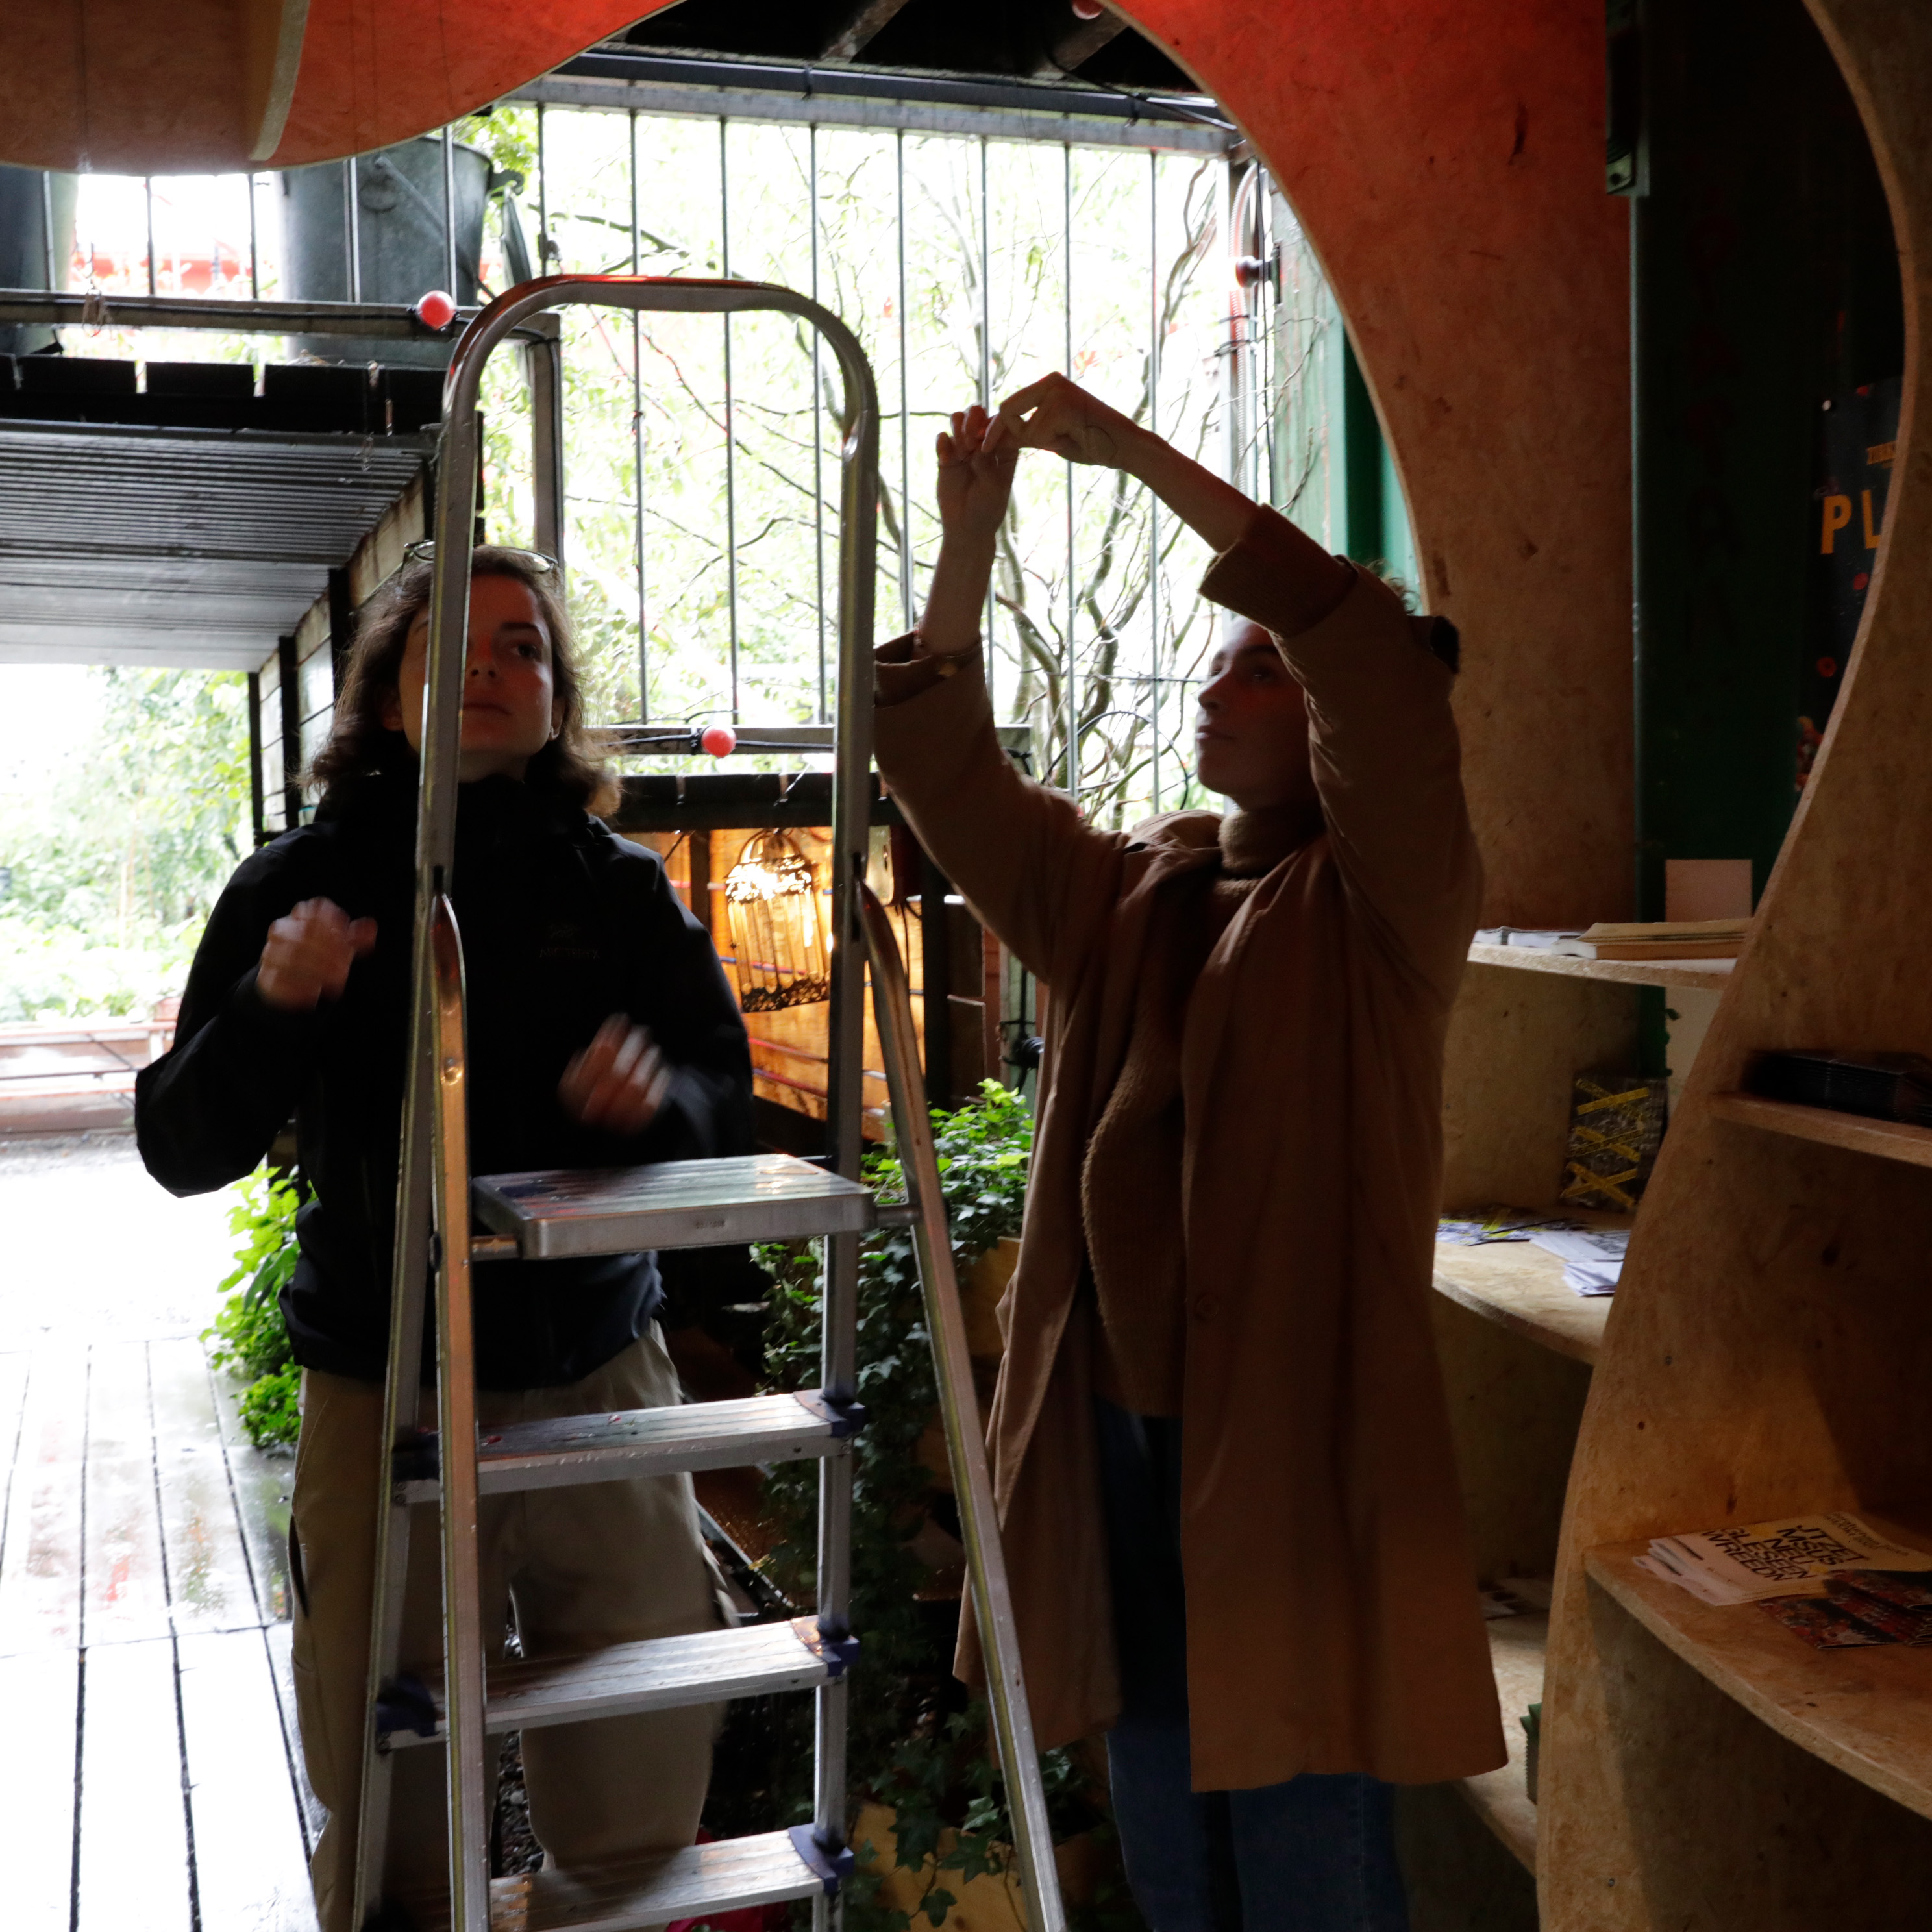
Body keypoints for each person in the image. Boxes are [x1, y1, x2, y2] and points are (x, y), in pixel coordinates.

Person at [874, 380, 1505, 1932]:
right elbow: (946, 773)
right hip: (1119, 1445)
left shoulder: (1388, 906)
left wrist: (1140, 460)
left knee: (1307, 1862)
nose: (1216, 686)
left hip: (1291, 1462)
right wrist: (970, 538)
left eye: (1259, 668)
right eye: (1218, 662)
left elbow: (1369, 658)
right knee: (1168, 1850)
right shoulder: (1137, 891)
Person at [136, 547, 752, 1930]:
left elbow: (725, 1091)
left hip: (603, 1381)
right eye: (454, 645)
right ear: (389, 694)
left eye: (523, 647)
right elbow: (180, 1145)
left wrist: (658, 1106)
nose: (491, 666)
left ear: (556, 699)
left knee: (643, 1779)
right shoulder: (300, 884)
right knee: (392, 1809)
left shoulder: (620, 888)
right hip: (385, 1391)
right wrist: (272, 1008)